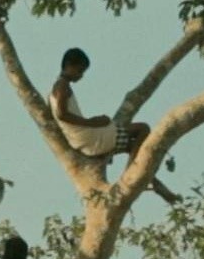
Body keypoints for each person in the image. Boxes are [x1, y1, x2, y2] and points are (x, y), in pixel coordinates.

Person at [50, 47, 182, 204]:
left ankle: (157, 185)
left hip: (81, 140)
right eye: (80, 71)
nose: (81, 76)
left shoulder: (56, 88)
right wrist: (94, 122)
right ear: (69, 65)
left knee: (135, 148)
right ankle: (130, 174)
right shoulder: (62, 87)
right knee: (143, 129)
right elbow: (61, 114)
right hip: (89, 139)